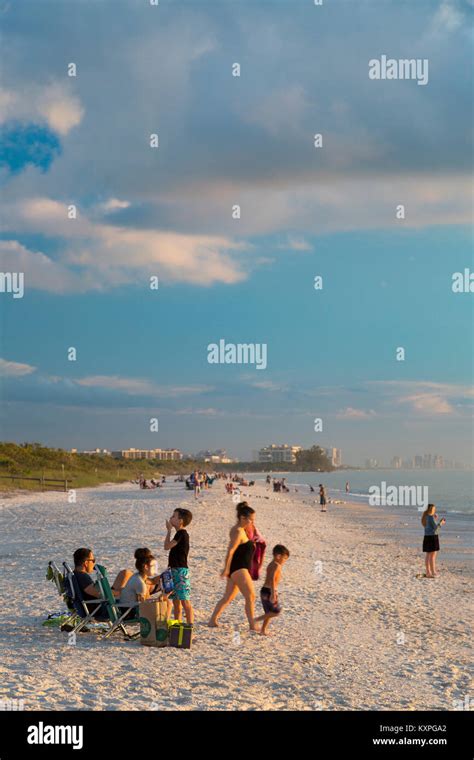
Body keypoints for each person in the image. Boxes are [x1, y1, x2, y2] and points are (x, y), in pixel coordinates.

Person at [208, 502, 259, 631]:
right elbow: (230, 550)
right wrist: (226, 568)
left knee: (227, 597)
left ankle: (212, 620)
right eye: (251, 520)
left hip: (236, 569)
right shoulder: (237, 531)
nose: (252, 522)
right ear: (242, 518)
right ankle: (252, 625)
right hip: (239, 568)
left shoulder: (242, 530)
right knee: (251, 596)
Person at [165, 508, 194, 624]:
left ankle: (190, 626)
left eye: (174, 516)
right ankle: (177, 626)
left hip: (181, 571)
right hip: (174, 570)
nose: (171, 518)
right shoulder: (179, 533)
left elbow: (167, 546)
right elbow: (167, 547)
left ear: (180, 521)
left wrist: (168, 531)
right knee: (176, 603)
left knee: (185, 602)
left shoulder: (182, 533)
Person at [255, 545, 290, 635]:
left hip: (264, 590)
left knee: (268, 612)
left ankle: (263, 630)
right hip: (269, 591)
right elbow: (272, 578)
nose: (285, 561)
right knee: (276, 612)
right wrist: (273, 593)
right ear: (278, 556)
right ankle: (255, 620)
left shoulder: (271, 564)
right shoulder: (277, 565)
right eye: (285, 558)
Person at [421, 504, 446, 578]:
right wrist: (441, 523)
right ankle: (433, 572)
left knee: (428, 555)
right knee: (433, 556)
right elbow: (436, 528)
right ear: (432, 510)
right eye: (434, 509)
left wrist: (435, 519)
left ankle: (428, 572)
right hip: (432, 537)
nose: (435, 510)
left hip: (427, 537)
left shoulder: (425, 517)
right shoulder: (430, 517)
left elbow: (429, 526)